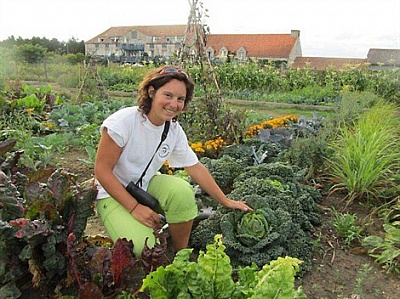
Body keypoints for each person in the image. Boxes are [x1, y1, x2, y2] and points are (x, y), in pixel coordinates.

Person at [94, 65, 252, 256]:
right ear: (152, 92)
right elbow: (102, 171)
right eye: (167, 95)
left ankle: (180, 255)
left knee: (182, 192)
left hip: (143, 186)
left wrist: (225, 201)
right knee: (146, 250)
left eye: (180, 99)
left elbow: (195, 167)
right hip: (111, 194)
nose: (174, 104)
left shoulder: (173, 130)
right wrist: (135, 208)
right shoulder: (123, 122)